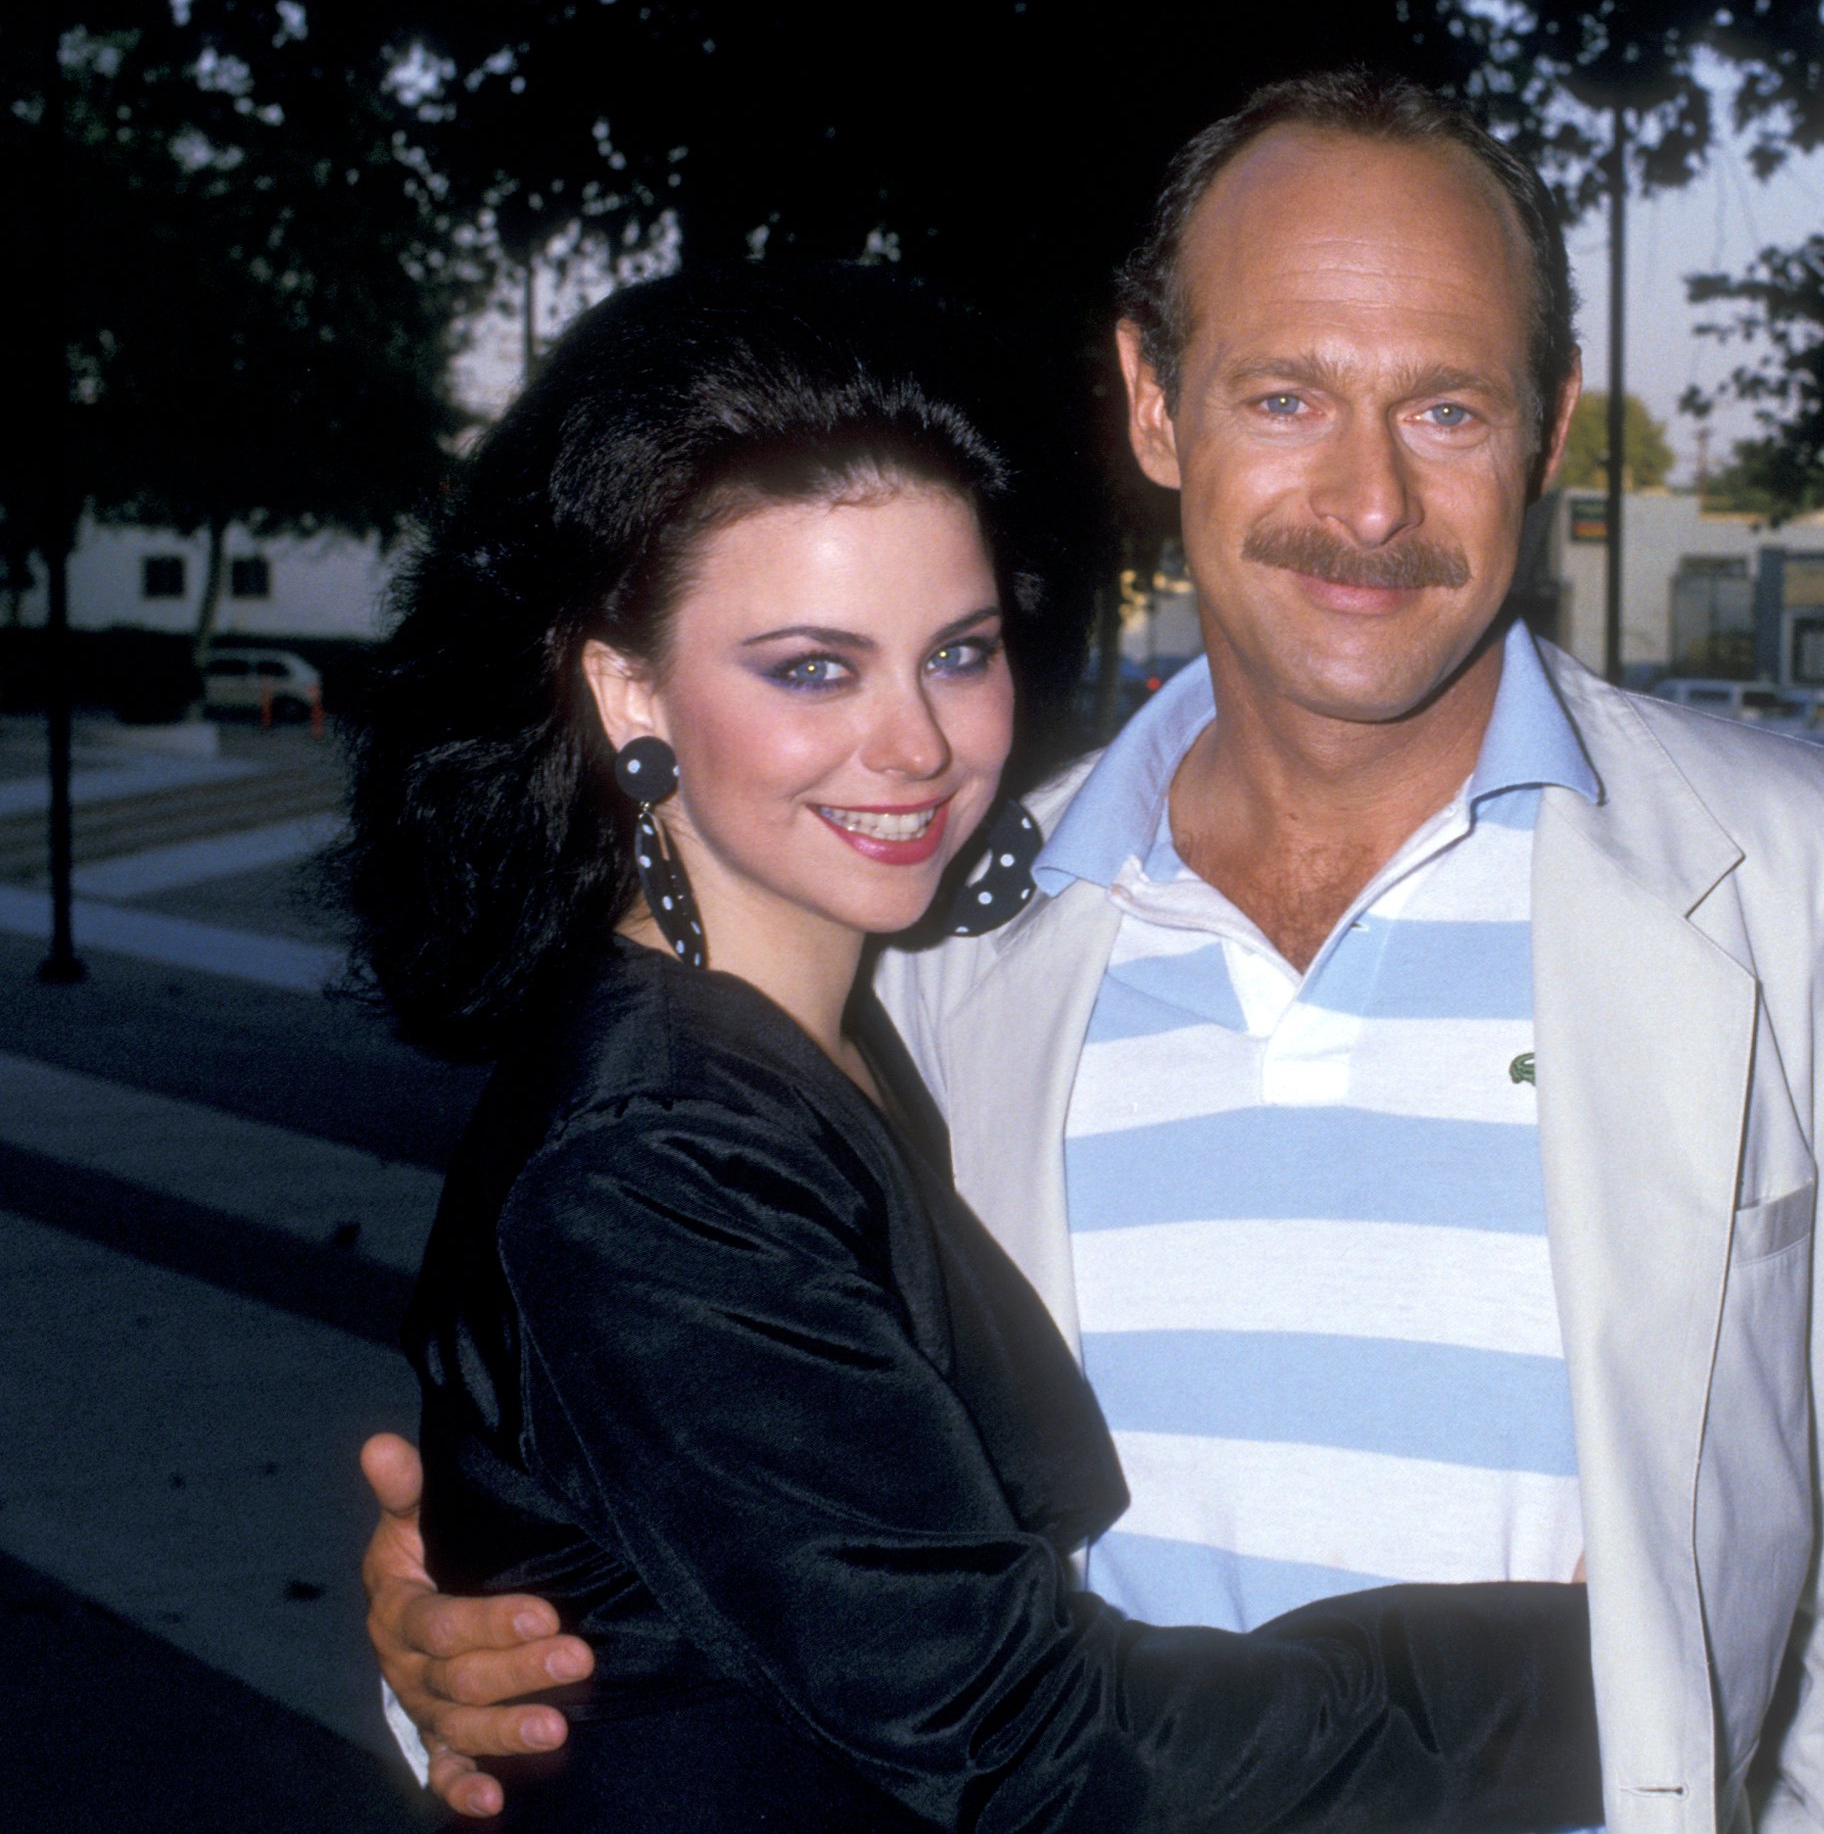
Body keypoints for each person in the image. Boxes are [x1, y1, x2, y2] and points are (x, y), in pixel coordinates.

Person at [370, 71, 1824, 1830]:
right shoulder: (937, 941)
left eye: (1449, 408)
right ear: (1156, 404)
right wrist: (470, 1644)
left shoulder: (1808, 877)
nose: (1373, 500)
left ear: (1552, 430)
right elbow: (749, 1531)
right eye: (1287, 393)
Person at [344, 262, 1603, 1831]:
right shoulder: (650, 1156)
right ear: (627, 688)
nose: (919, 743)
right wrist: (1600, 1672)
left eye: (956, 649)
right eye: (812, 666)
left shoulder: (856, 1025)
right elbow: (1042, 1746)